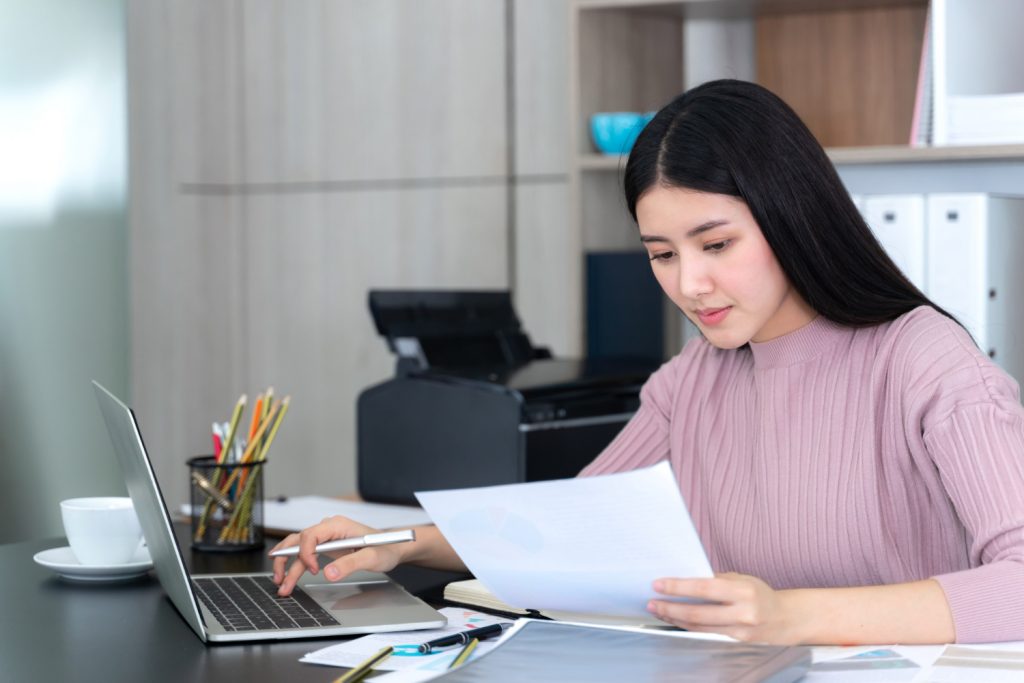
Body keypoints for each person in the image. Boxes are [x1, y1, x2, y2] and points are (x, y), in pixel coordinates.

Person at [272, 79, 1024, 645]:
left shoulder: (923, 359)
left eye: (716, 244)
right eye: (663, 254)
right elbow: (573, 527)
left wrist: (790, 616)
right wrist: (397, 544)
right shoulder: (693, 378)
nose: (690, 284)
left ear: (792, 215)